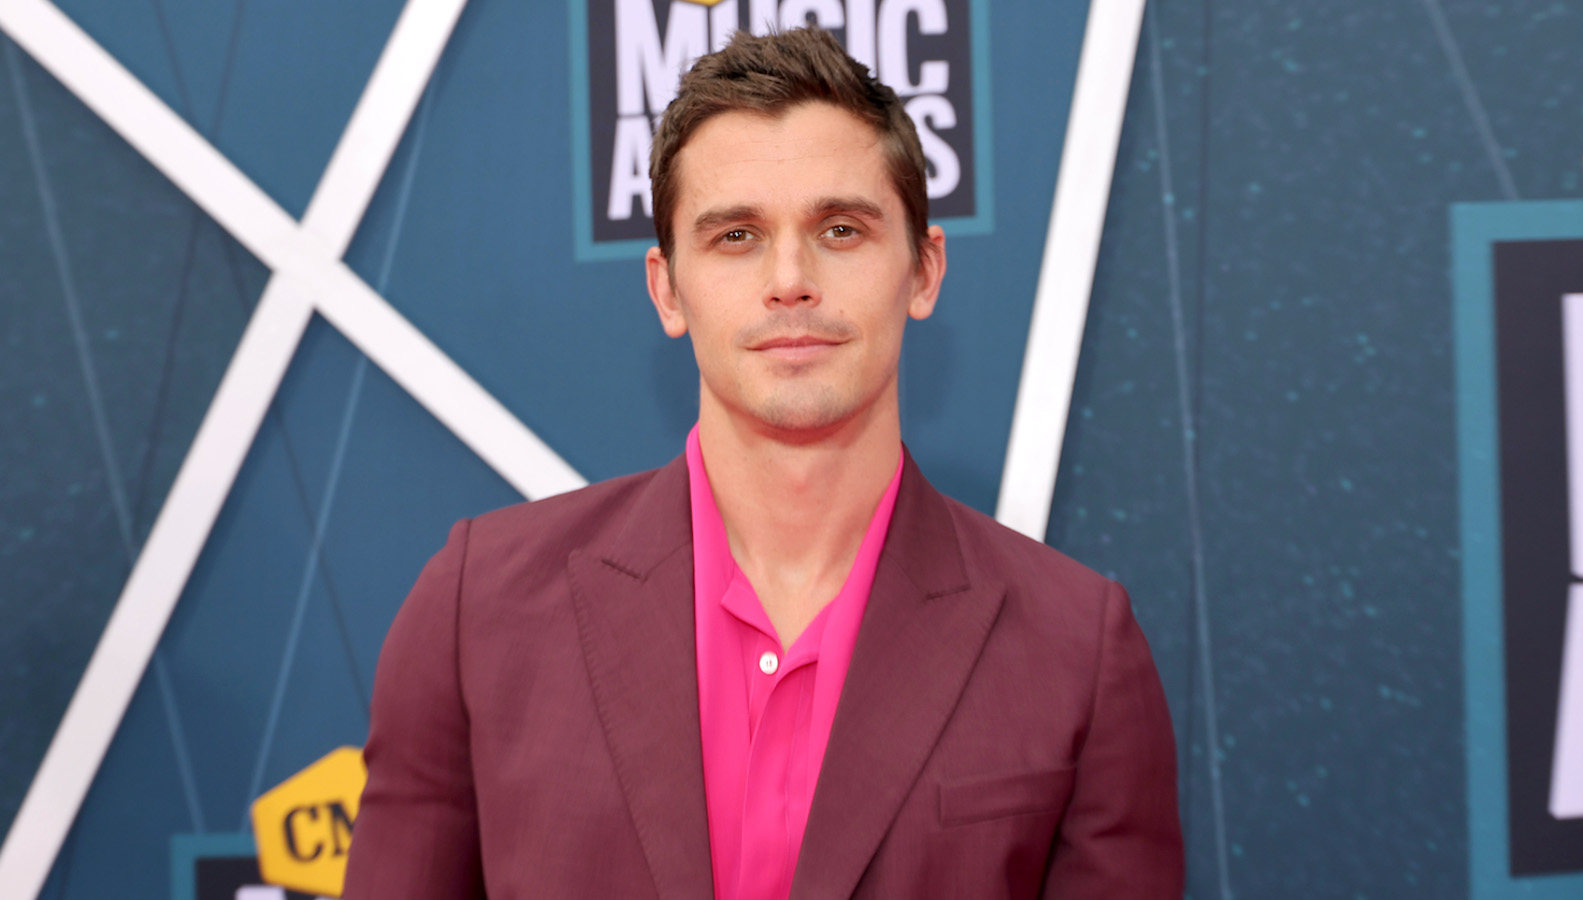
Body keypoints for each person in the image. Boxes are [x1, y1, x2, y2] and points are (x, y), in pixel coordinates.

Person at [344, 25, 1182, 900]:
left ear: (925, 272)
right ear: (667, 289)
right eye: (736, 236)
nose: (791, 278)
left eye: (842, 229)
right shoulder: (476, 613)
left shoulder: (1078, 651)